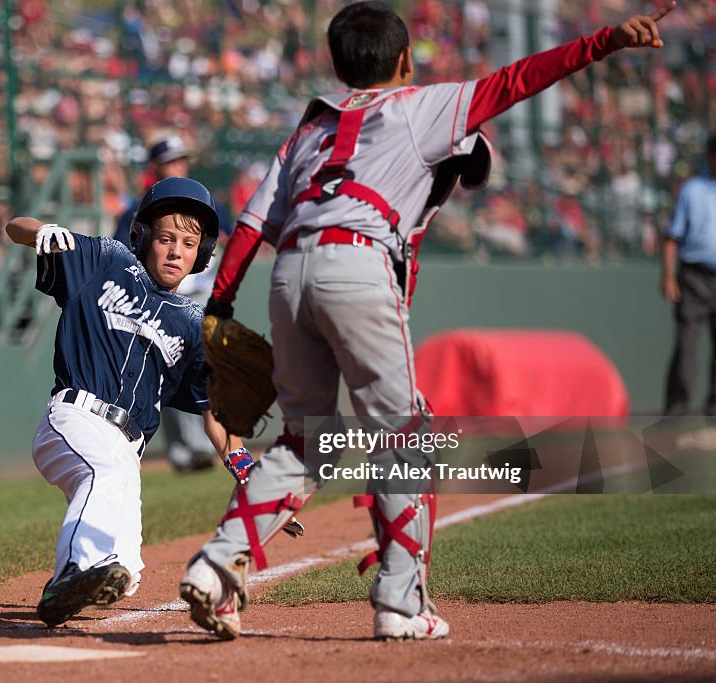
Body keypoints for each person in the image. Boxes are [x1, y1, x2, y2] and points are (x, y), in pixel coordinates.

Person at [179, 0, 676, 642]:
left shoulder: (307, 130)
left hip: (288, 269)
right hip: (353, 264)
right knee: (408, 440)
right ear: (406, 60)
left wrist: (219, 303)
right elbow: (519, 79)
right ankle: (402, 603)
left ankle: (217, 563)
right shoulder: (422, 108)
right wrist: (607, 39)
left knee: (304, 441)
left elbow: (251, 224)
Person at [4, 177, 249, 629]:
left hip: (126, 446)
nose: (176, 250)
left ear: (202, 254)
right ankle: (71, 573)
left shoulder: (193, 324)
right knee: (103, 476)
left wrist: (244, 465)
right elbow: (14, 226)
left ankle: (71, 577)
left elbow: (213, 408)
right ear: (141, 236)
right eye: (166, 238)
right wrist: (38, 232)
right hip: (74, 416)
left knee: (126, 572)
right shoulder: (106, 261)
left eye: (189, 243)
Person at [115, 133, 221, 471]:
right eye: (170, 161)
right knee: (168, 377)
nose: (179, 166)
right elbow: (123, 257)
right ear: (155, 167)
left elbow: (228, 235)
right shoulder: (137, 212)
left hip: (201, 297)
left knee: (201, 371)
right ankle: (183, 451)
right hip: (159, 301)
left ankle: (198, 447)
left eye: (182, 159)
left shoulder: (203, 203)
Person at [662, 134, 716, 417]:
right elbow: (672, 236)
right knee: (686, 346)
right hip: (695, 277)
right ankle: (676, 409)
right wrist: (668, 276)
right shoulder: (692, 190)